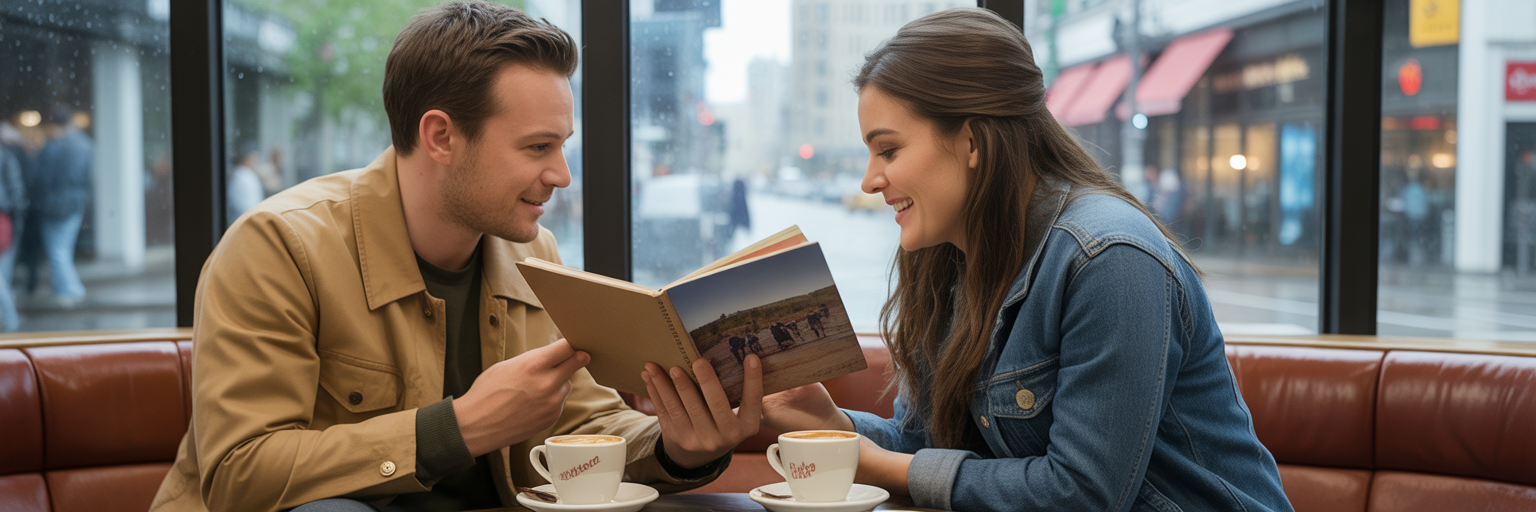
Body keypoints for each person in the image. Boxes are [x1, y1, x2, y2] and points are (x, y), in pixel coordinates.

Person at [150, 3, 761, 511]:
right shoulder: (278, 247)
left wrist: (676, 448)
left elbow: (581, 426)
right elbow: (240, 474)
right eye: (538, 147)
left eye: (562, 146)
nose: (562, 175)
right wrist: (462, 426)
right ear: (441, 136)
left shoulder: (532, 253)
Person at [760, 9, 1292, 512]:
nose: (870, 180)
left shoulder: (1109, 258)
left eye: (889, 150)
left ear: (971, 141)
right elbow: (923, 445)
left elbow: (1080, 495)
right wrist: (834, 427)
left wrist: (879, 467)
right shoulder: (946, 262)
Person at [29, 105, 91, 307]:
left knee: (57, 250)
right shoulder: (85, 144)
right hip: (74, 203)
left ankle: (69, 290)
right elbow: (89, 177)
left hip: (54, 206)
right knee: (63, 249)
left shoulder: (53, 146)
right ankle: (66, 289)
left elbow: (41, 177)